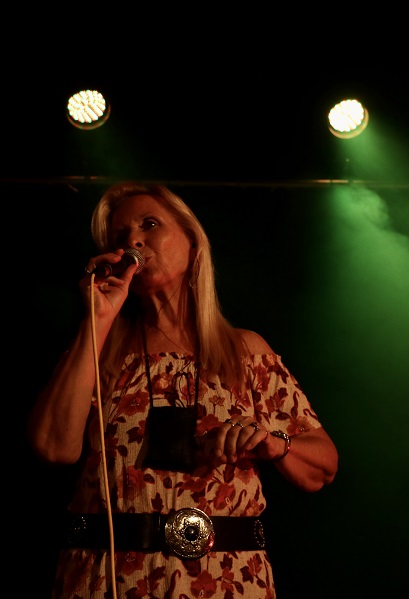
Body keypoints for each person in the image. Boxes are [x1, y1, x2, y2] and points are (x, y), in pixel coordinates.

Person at [28, 181, 339, 598]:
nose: (133, 240)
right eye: (120, 237)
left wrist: (272, 443)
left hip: (225, 578)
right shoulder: (101, 350)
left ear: (193, 241)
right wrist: (97, 320)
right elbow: (51, 447)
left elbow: (323, 467)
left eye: (149, 224)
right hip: (110, 576)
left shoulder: (243, 350)